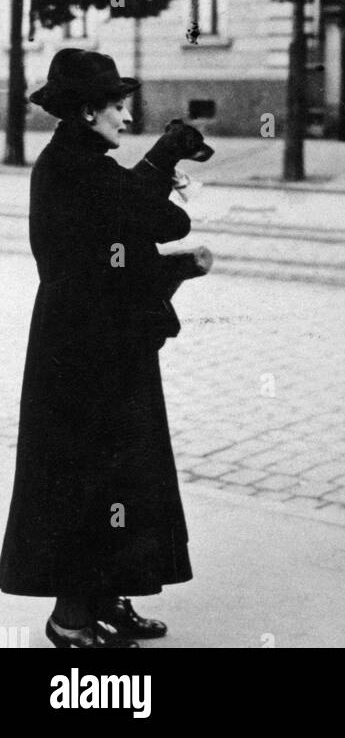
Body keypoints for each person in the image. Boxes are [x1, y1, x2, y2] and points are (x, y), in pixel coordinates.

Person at [0, 49, 213, 649]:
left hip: (105, 342)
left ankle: (110, 598)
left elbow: (148, 222)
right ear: (89, 110)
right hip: (80, 351)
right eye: (118, 107)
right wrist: (167, 154)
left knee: (126, 471)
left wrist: (160, 177)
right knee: (85, 476)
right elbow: (153, 220)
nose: (126, 115)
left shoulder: (87, 161)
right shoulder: (70, 166)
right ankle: (71, 618)